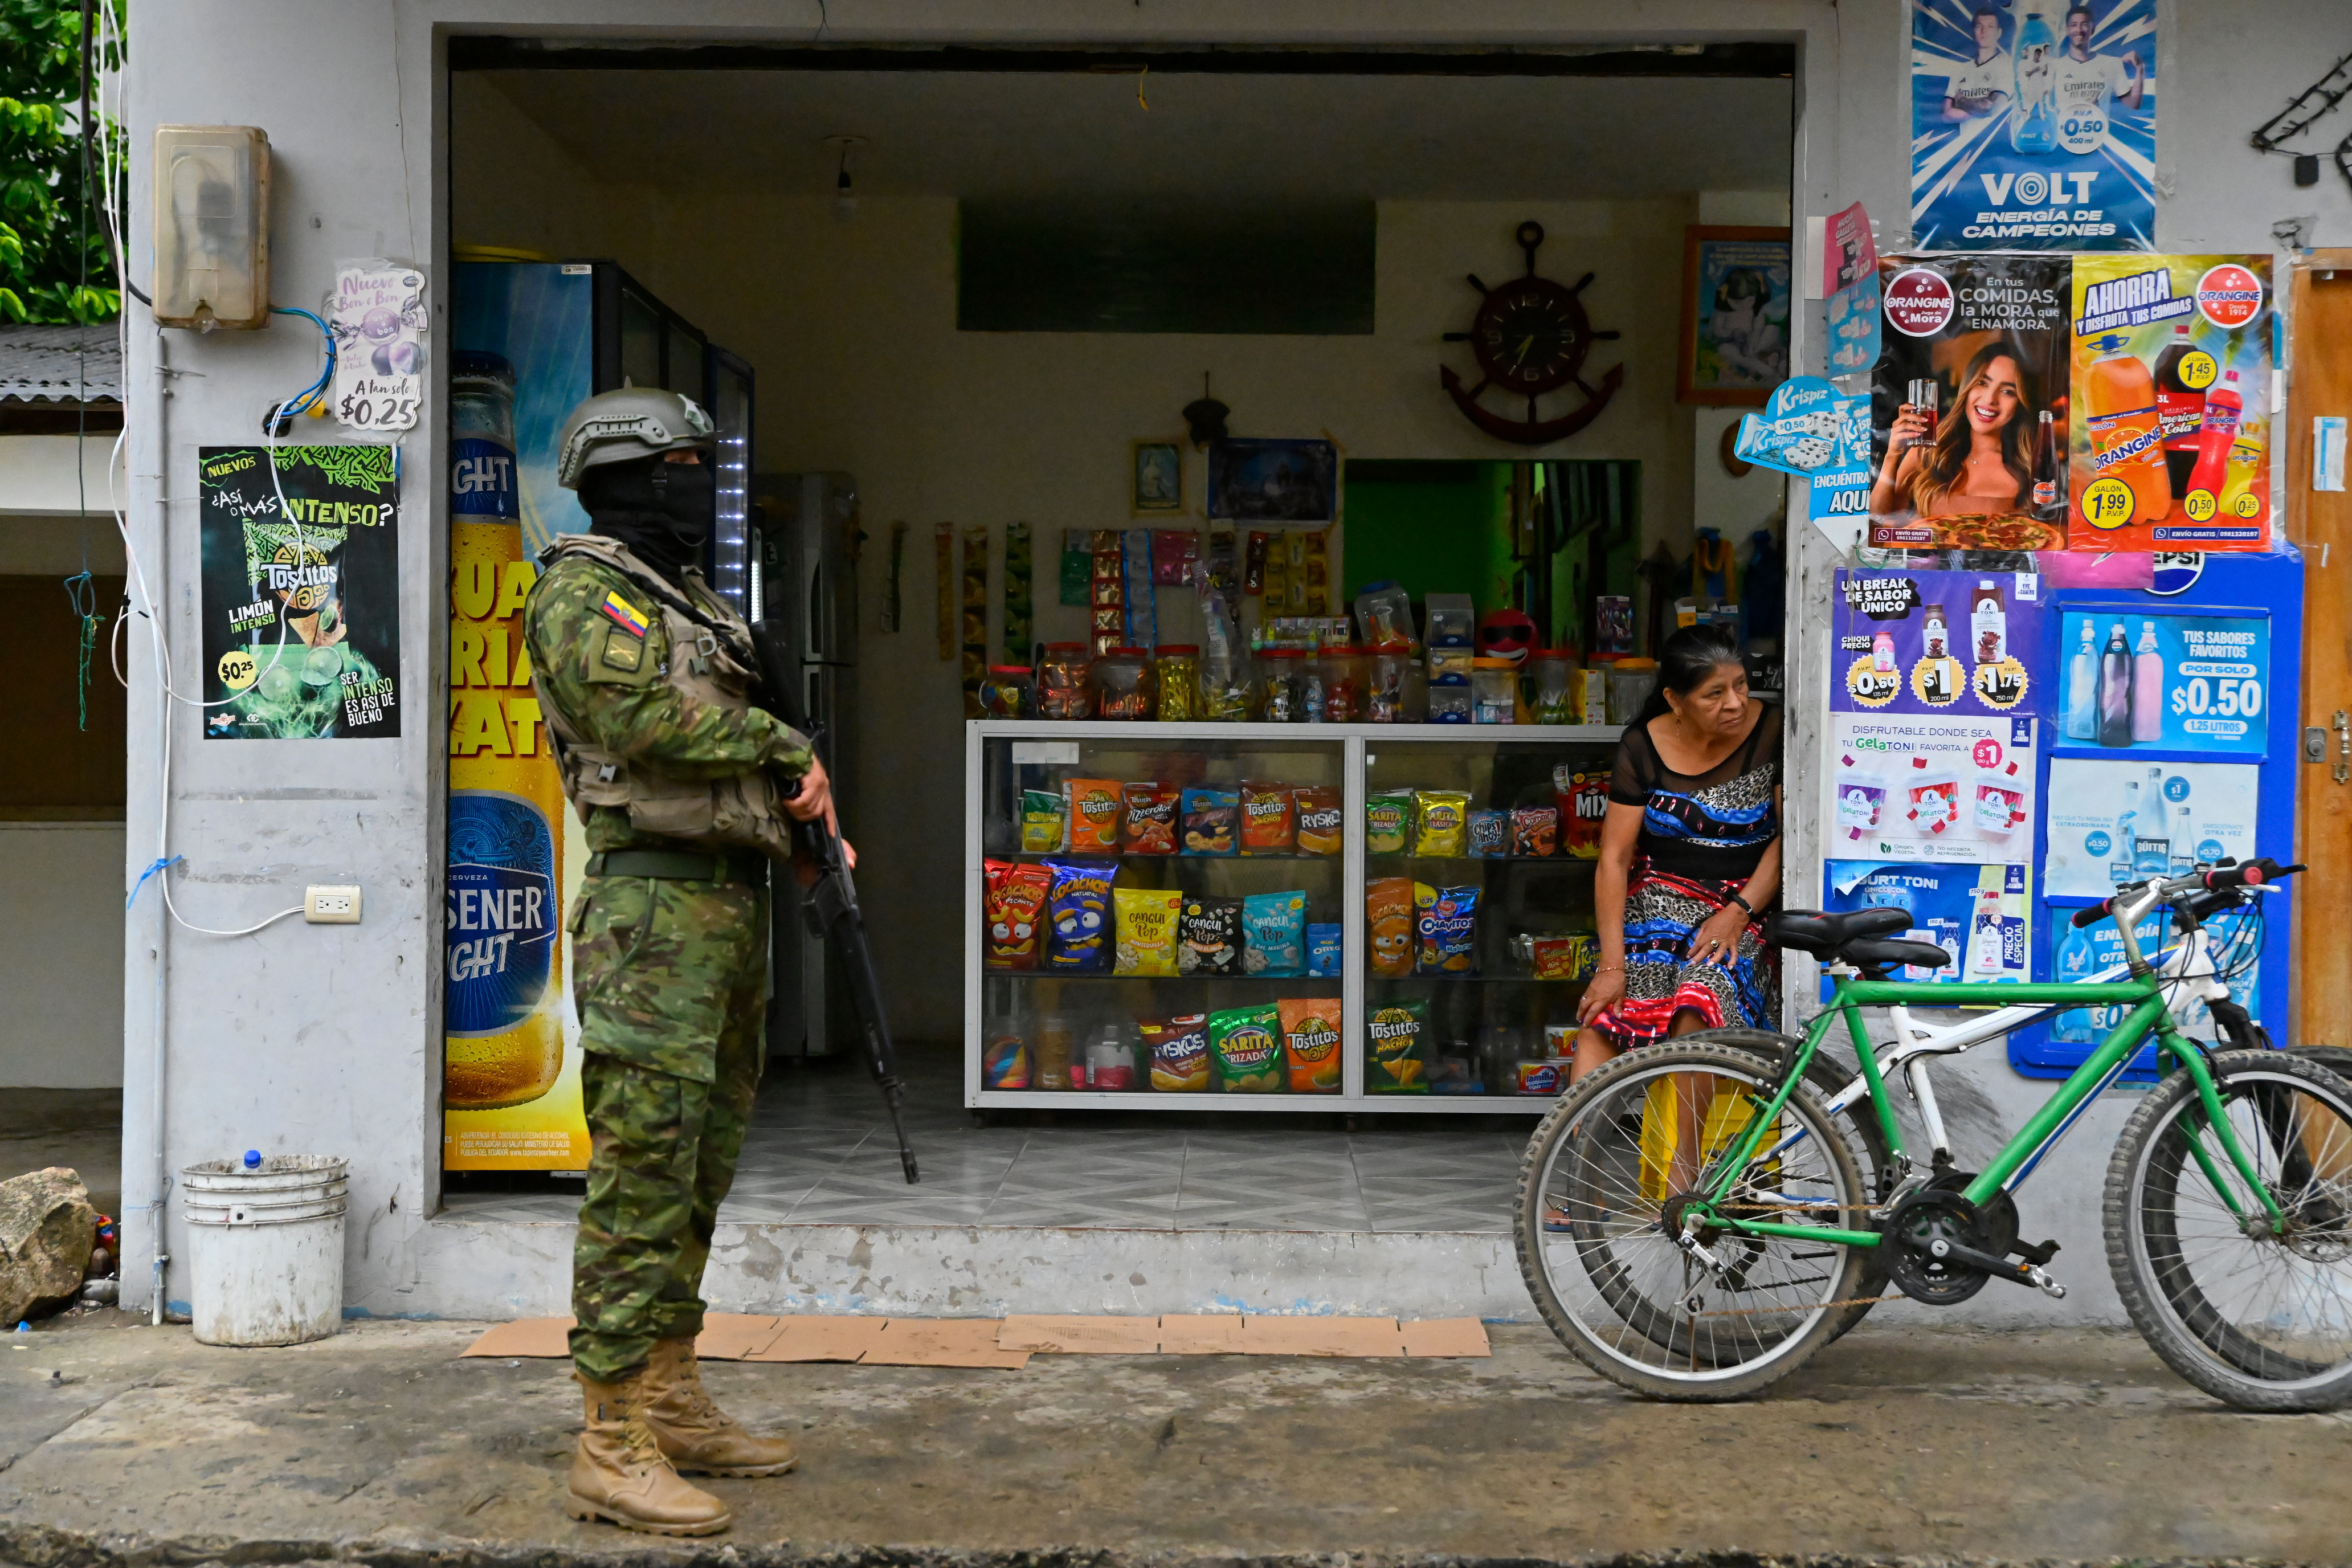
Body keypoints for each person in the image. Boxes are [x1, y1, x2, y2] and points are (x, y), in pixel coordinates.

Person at [524, 385, 843, 1537]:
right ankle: (609, 1437)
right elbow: (639, 722)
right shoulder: (581, 591)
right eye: (683, 468)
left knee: (699, 1166)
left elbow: (736, 739)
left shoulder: (693, 600)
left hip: (726, 905)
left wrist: (810, 826)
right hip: (650, 914)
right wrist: (778, 740)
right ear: (624, 474)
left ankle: (667, 1388)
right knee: (641, 1171)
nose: (700, 488)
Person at [1570, 625, 1782, 1084]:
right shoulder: (1642, 745)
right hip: (1653, 910)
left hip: (1743, 909)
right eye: (1714, 694)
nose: (1735, 702)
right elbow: (1613, 858)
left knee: (1697, 1005)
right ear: (1674, 699)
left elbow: (1789, 839)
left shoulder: (1773, 731)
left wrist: (1739, 913)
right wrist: (1612, 967)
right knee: (1601, 1022)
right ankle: (1570, 1154)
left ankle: (1687, 1161)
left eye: (1741, 685)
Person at [1869, 341, 2036, 519]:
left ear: (2021, 402)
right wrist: (1892, 455)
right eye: (1982, 383)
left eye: (2008, 392)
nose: (1990, 399)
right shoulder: (1929, 451)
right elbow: (1879, 521)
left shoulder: (2030, 466)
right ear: (1968, 387)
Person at [2054, 2, 2145, 152]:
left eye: (2084, 24)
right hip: (2063, 146)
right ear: (2067, 30)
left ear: (2093, 28)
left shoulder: (2111, 64)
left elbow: (2133, 104)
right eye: (2074, 25)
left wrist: (2140, 69)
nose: (2079, 30)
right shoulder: (2054, 67)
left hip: (2099, 147)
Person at [1942, 5, 2012, 121]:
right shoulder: (1960, 70)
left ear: (1999, 33)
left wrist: (1961, 102)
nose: (1984, 31)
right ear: (1974, 31)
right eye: (1979, 26)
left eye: (1991, 27)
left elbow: (1992, 108)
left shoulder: (2007, 64)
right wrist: (1978, 111)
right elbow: (1946, 115)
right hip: (1963, 140)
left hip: (1997, 139)